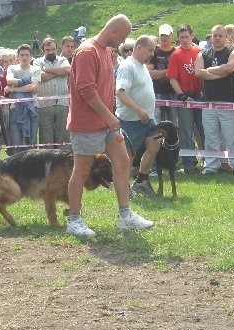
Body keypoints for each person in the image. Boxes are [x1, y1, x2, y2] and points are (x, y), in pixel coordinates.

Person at [66, 14, 153, 235]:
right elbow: (86, 89)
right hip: (86, 123)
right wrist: (108, 115)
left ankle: (125, 215)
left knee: (123, 161)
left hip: (107, 123)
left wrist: (109, 116)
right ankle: (74, 220)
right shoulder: (87, 51)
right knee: (82, 170)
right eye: (122, 37)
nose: (123, 42)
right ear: (113, 30)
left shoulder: (107, 52)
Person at [195, 24, 234, 176]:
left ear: (226, 37)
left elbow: (229, 68)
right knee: (211, 137)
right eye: (214, 35)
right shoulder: (203, 54)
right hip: (208, 103)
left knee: (233, 137)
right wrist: (220, 72)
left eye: (220, 35)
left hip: (228, 102)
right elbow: (198, 73)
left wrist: (210, 71)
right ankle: (211, 166)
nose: (217, 38)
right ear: (211, 37)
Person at [116, 35, 161, 198]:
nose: (152, 54)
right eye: (150, 50)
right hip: (130, 120)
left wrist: (145, 112)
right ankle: (124, 190)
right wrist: (138, 110)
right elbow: (120, 93)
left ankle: (141, 180)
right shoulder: (127, 67)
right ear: (139, 47)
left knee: (155, 144)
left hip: (148, 118)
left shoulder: (142, 66)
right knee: (127, 157)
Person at [167, 24, 205, 174]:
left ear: (192, 35)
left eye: (186, 37)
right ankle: (189, 164)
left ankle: (209, 162)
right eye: (181, 37)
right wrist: (182, 95)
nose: (184, 40)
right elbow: (172, 78)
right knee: (186, 132)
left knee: (204, 131)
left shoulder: (200, 52)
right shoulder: (176, 54)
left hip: (200, 95)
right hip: (185, 97)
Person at [34, 38, 71, 148]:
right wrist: (59, 72)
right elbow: (41, 77)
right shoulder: (37, 62)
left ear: (57, 48)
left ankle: (63, 162)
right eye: (47, 50)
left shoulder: (63, 60)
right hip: (44, 105)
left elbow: (68, 70)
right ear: (42, 50)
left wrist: (47, 70)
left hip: (63, 104)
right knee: (46, 139)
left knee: (63, 137)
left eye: (53, 49)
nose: (50, 52)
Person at [5, 44, 41, 150]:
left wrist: (14, 89)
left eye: (27, 55)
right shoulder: (12, 68)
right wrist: (27, 81)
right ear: (18, 57)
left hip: (32, 109)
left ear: (31, 56)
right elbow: (9, 81)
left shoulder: (36, 69)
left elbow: (34, 87)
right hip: (15, 109)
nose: (24, 57)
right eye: (22, 55)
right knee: (16, 143)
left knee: (32, 143)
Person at [149, 24, 178, 125]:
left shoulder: (176, 52)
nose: (163, 37)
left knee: (174, 121)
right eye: (161, 35)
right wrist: (170, 72)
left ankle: (175, 141)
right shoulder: (153, 52)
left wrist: (160, 73)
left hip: (173, 91)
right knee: (157, 121)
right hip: (157, 90)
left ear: (172, 36)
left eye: (166, 35)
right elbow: (150, 74)